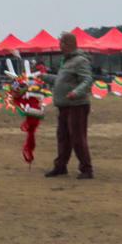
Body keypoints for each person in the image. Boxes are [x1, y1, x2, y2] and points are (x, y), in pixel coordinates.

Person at [44, 31, 95, 178]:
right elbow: (60, 80)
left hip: (77, 105)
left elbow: (87, 80)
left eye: (62, 42)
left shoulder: (80, 61)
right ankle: (60, 166)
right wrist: (44, 77)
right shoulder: (66, 61)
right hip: (64, 105)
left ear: (69, 44)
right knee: (63, 136)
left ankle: (86, 169)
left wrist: (76, 92)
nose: (59, 45)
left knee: (77, 137)